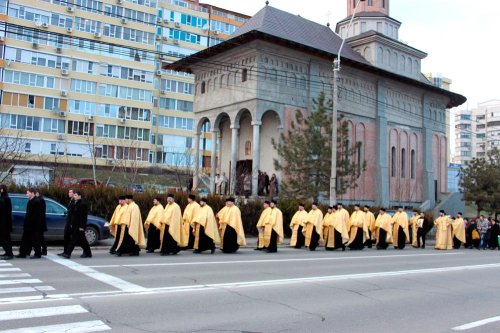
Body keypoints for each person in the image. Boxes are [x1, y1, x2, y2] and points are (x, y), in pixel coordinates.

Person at [60, 190, 92, 258]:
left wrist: (82, 226)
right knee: (82, 240)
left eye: (75, 195)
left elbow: (83, 217)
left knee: (74, 240)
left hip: (79, 225)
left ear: (79, 196)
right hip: (74, 225)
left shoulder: (82, 204)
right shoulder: (75, 203)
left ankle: (68, 253)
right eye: (74, 195)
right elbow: (73, 215)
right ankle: (88, 253)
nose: (74, 196)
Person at [17, 188, 42, 259]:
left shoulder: (36, 201)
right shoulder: (30, 201)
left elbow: (36, 215)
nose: (26, 194)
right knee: (25, 239)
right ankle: (23, 253)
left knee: (35, 239)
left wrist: (32, 224)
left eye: (28, 193)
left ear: (32, 193)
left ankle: (38, 254)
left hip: (33, 225)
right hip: (28, 224)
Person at [59, 189, 76, 256]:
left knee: (73, 238)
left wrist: (71, 223)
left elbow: (73, 214)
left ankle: (67, 252)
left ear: (74, 194)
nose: (69, 193)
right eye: (69, 192)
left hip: (71, 222)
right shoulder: (70, 201)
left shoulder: (74, 202)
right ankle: (65, 251)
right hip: (68, 221)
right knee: (66, 237)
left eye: (70, 192)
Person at [0, 185, 13, 260]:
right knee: (6, 238)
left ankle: (9, 253)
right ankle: (8, 252)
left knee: (4, 238)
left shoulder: (5, 198)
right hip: (4, 221)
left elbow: (6, 211)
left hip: (4, 222)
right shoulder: (4, 198)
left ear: (2, 190)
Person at [35, 188, 47, 256]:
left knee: (40, 237)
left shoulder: (40, 200)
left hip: (40, 222)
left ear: (37, 193)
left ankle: (43, 250)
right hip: (41, 221)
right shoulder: (40, 199)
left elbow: (40, 212)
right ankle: (43, 249)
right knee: (41, 237)